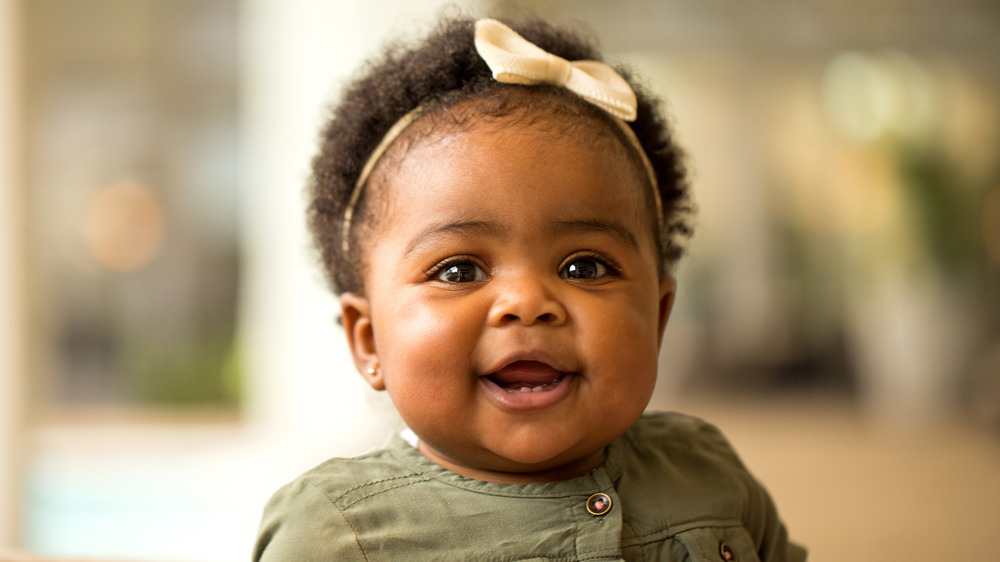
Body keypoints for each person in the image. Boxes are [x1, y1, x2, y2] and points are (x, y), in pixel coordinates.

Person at [253, 15, 806, 561]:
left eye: (583, 268)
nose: (527, 303)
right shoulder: (338, 534)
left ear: (656, 319)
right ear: (369, 342)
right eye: (459, 271)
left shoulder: (705, 470)